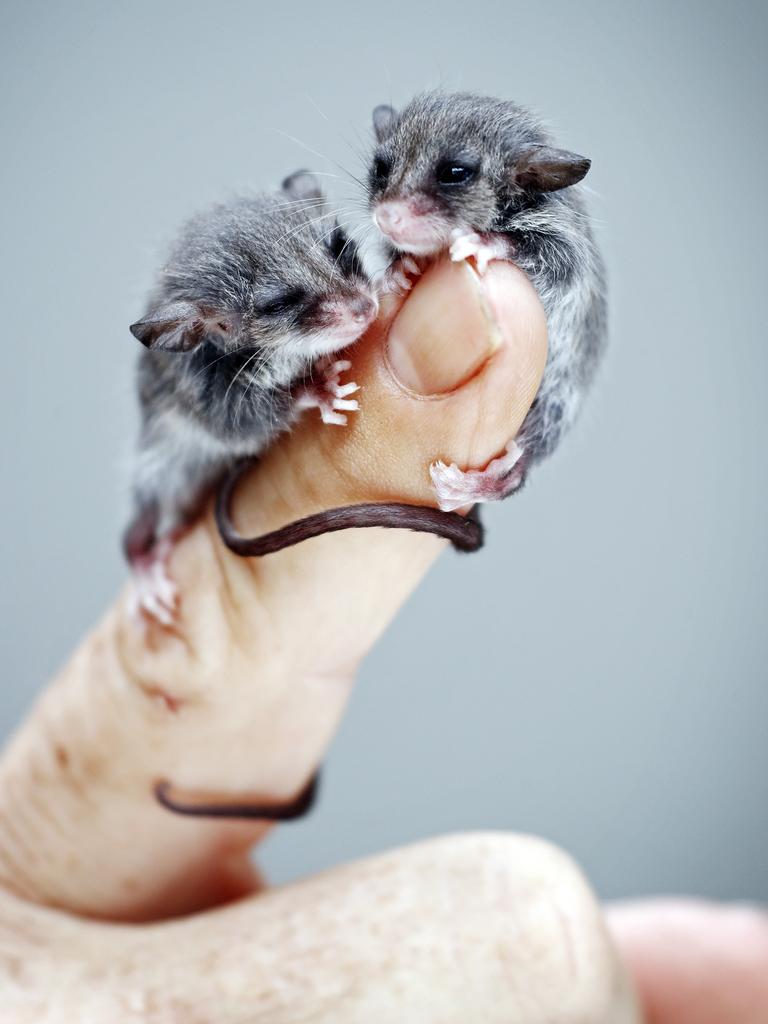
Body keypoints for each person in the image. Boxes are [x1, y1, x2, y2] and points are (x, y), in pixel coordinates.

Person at [0, 261, 765, 1021]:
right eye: (290, 300)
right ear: (215, 330)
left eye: (338, 256)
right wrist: (304, 390)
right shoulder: (207, 373)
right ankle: (152, 557)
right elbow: (228, 414)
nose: (353, 302)